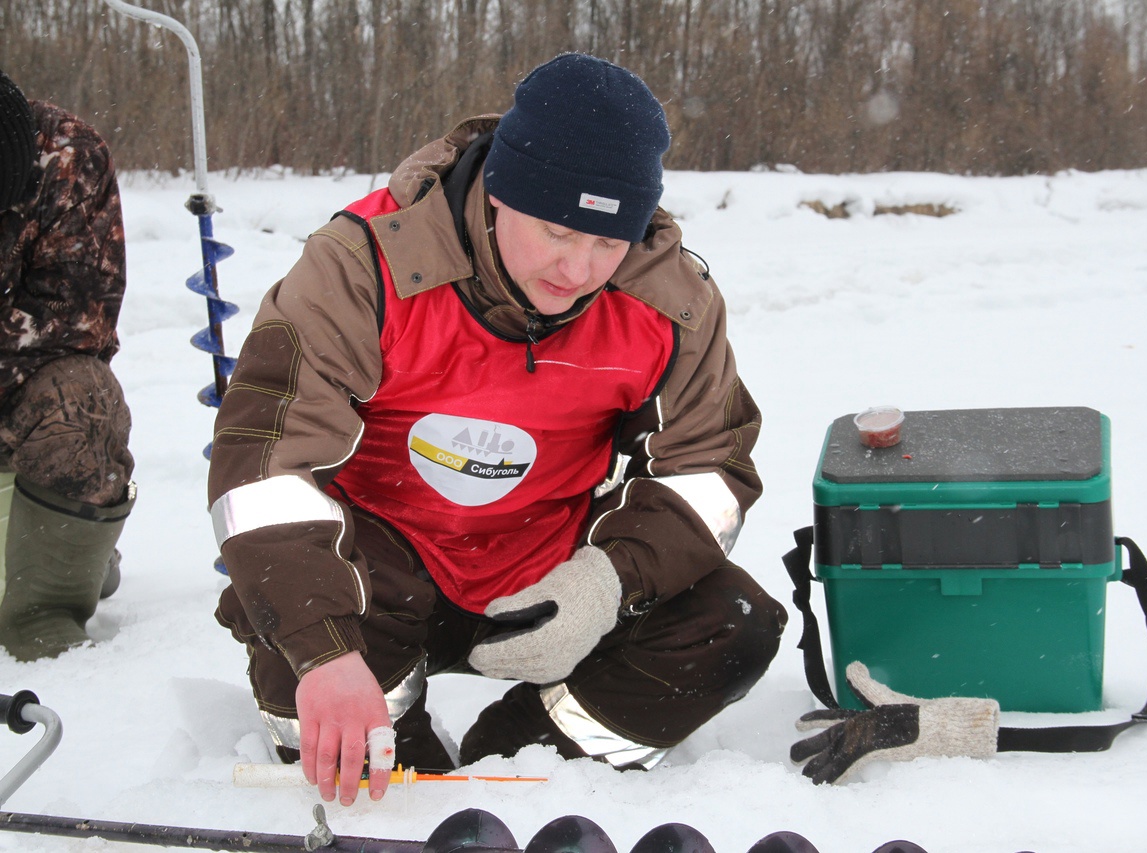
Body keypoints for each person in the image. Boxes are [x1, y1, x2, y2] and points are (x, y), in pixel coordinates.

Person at [209, 53, 786, 807]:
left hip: (545, 575)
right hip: (380, 573)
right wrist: (322, 653)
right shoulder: (359, 266)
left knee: (732, 627)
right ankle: (399, 762)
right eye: (555, 231)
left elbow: (710, 468)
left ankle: (530, 763)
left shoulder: (670, 302)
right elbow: (264, 468)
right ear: (500, 195)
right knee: (303, 663)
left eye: (608, 243)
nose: (577, 269)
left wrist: (608, 580)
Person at [0, 68, 137, 661]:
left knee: (85, 396)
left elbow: (77, 324)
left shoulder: (68, 158)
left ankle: (45, 605)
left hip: (28, 385)